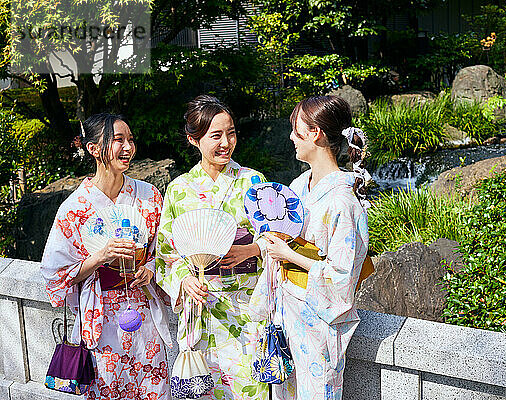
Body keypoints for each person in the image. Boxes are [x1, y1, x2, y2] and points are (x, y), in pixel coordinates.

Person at [41, 113, 172, 400]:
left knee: (154, 388)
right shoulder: (74, 208)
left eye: (131, 140)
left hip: (142, 308)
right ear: (92, 148)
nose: (128, 147)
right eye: (118, 140)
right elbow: (56, 275)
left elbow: (165, 249)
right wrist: (101, 256)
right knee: (107, 389)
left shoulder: (149, 196)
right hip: (101, 317)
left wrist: (150, 267)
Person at [156, 95, 269, 399]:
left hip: (245, 310)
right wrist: (184, 279)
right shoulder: (179, 189)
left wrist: (252, 250)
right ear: (194, 139)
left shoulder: (253, 182)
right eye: (215, 135)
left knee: (249, 390)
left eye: (231, 133)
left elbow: (277, 238)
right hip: (200, 308)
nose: (226, 143)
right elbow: (166, 253)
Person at [259, 96, 370, 400]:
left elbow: (342, 274)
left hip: (318, 320)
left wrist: (290, 255)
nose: (292, 138)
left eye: (296, 131)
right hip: (287, 313)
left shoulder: (343, 200)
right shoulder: (298, 185)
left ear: (316, 133)